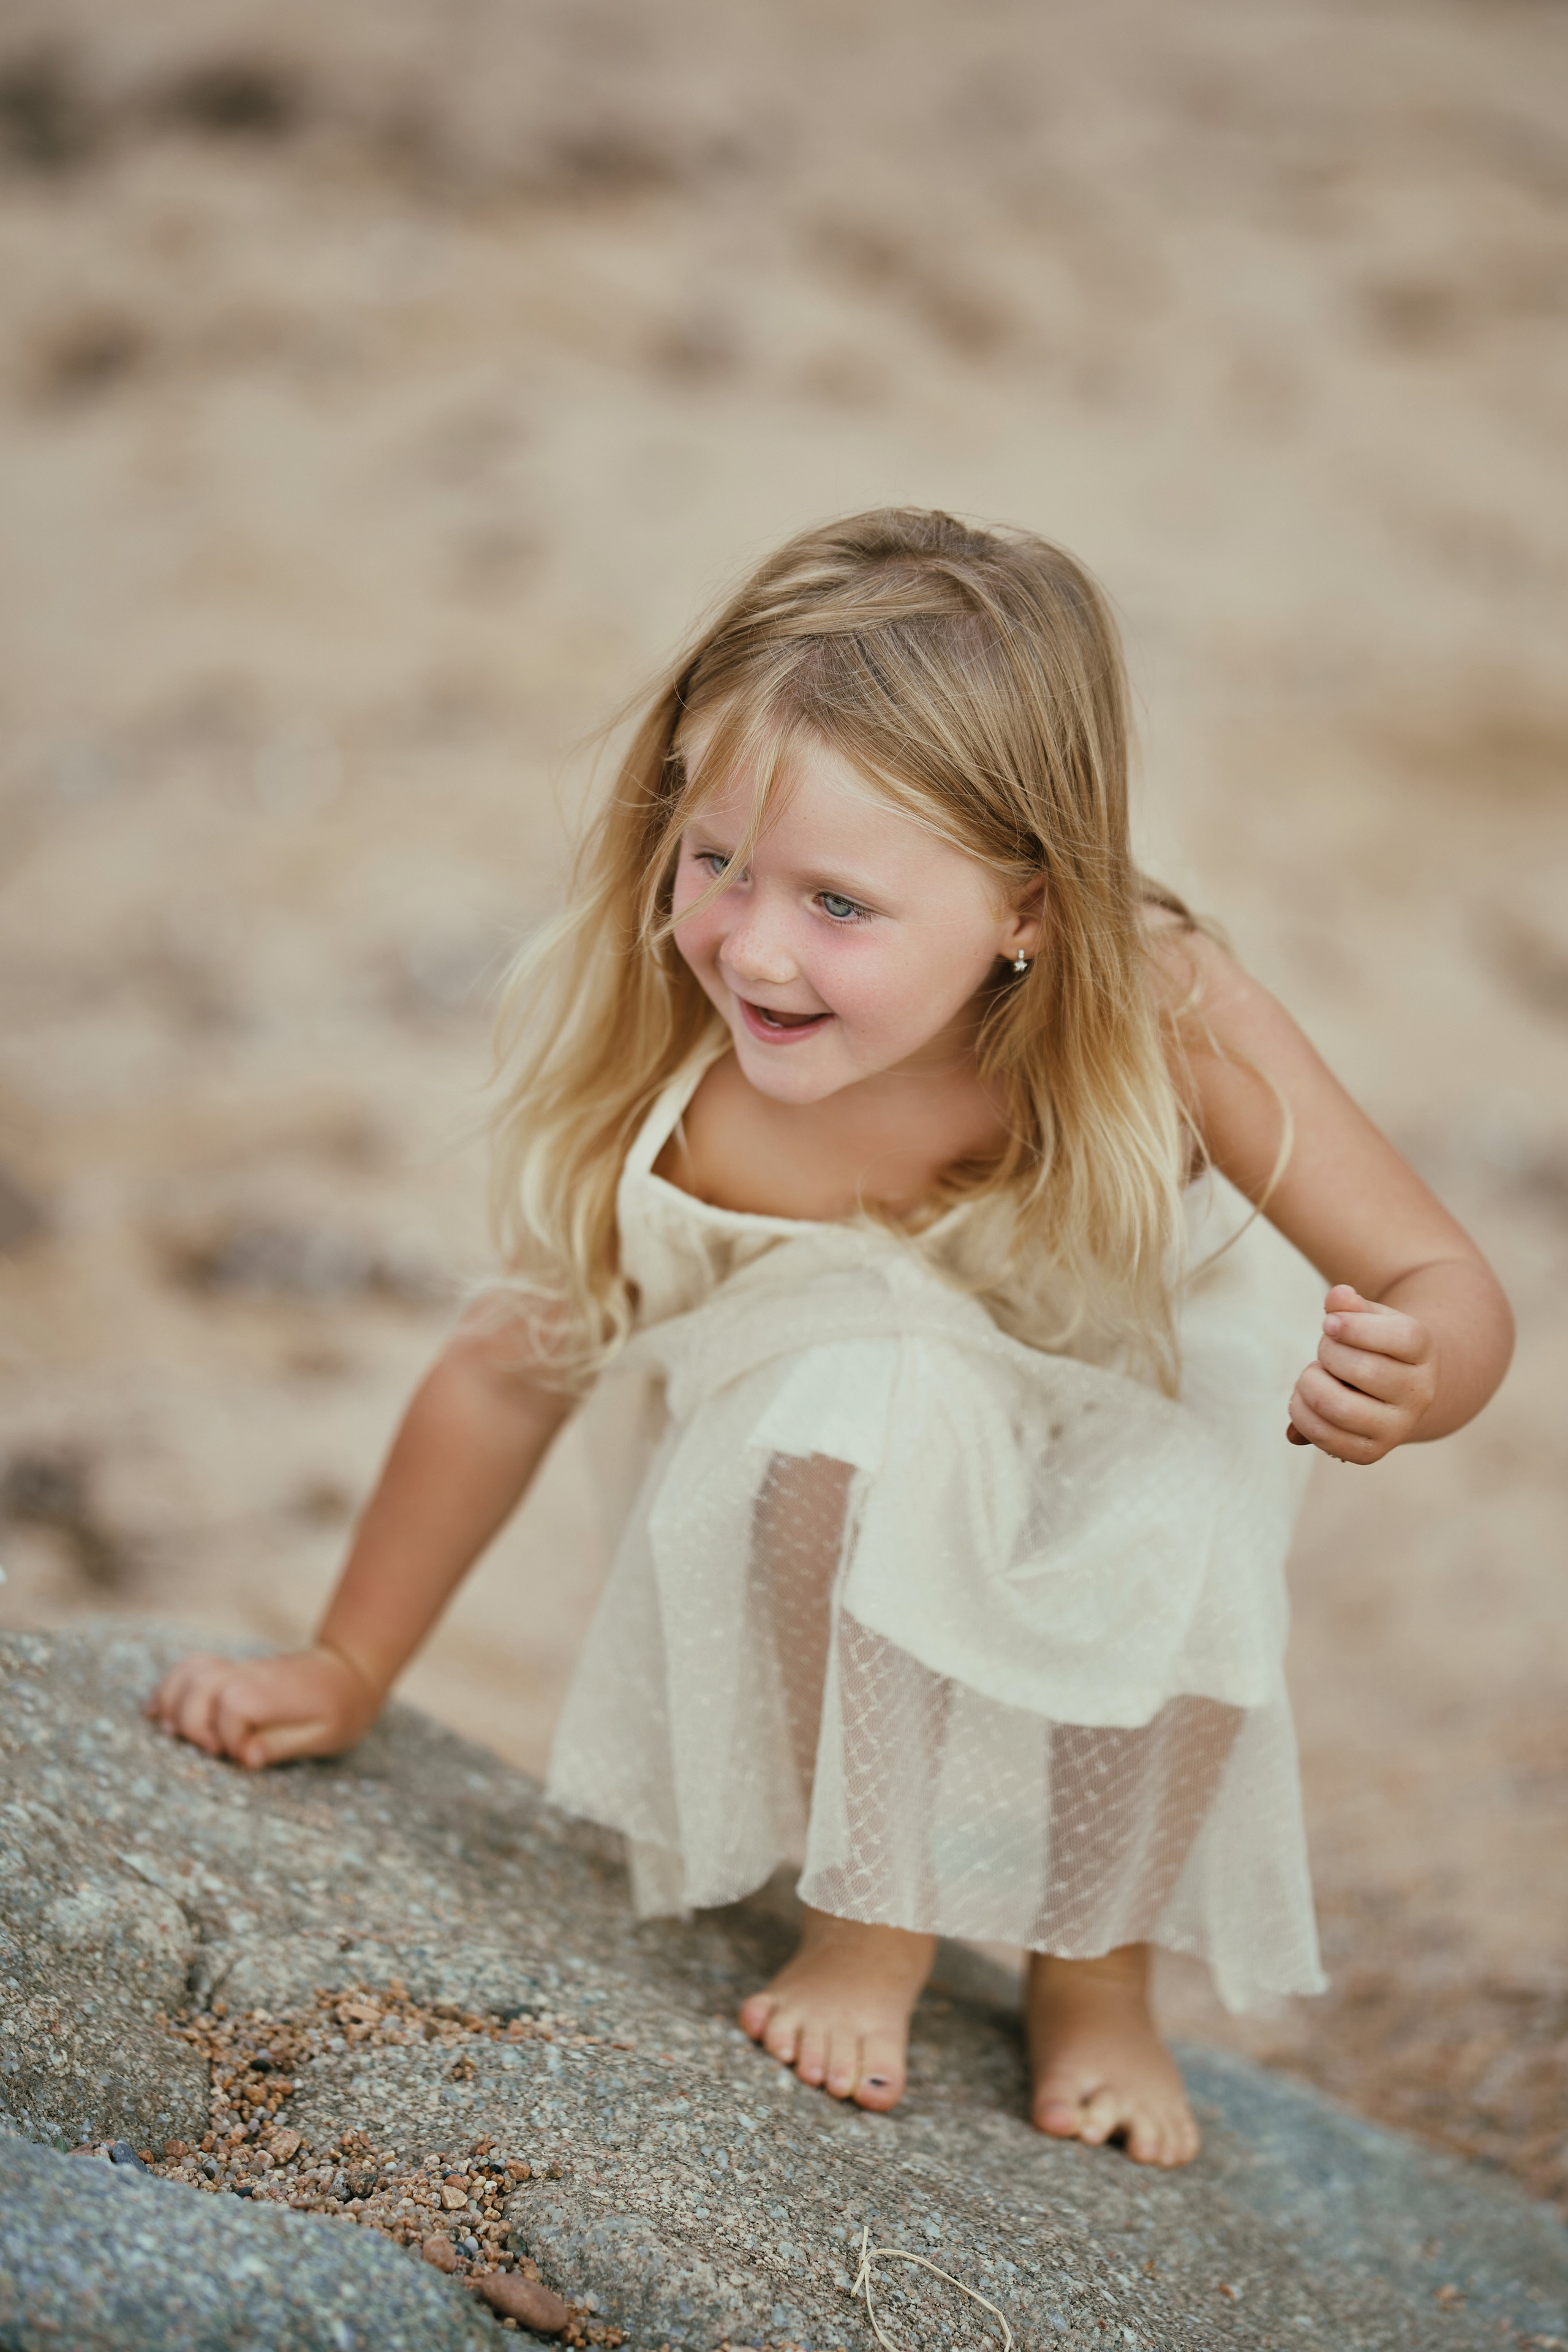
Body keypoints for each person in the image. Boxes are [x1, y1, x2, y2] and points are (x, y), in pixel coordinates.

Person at [148, 509, 1512, 2168]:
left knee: (1185, 1509)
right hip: (859, 1433)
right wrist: (350, 1662)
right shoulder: (681, 1092)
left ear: (1029, 909)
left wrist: (1422, 1372)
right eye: (714, 860)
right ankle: (869, 1913)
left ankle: (1097, 1976)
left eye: (840, 903)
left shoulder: (1163, 1007)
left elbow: (1440, 1274)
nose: (753, 944)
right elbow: (508, 1373)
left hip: (1131, 1380)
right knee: (847, 1405)